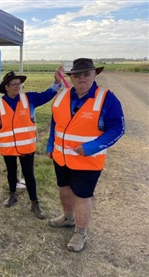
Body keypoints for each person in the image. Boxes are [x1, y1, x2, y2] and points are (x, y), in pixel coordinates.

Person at [46, 58, 125, 252]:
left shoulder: (106, 98)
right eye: (77, 75)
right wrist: (50, 145)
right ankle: (67, 218)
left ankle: (80, 232)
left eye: (86, 74)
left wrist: (92, 146)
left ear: (94, 75)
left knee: (82, 196)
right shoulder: (62, 96)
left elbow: (118, 128)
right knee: (64, 188)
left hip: (87, 160)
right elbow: (55, 123)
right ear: (71, 77)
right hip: (61, 157)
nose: (82, 78)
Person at [0, 67, 63, 219]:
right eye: (13, 84)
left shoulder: (29, 98)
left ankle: (35, 203)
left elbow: (47, 94)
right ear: (6, 87)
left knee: (29, 174)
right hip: (7, 146)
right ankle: (12, 195)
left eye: (19, 83)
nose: (17, 86)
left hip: (26, 146)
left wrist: (56, 82)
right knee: (11, 172)